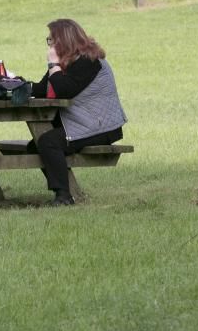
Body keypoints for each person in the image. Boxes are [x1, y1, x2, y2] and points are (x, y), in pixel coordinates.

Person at [29, 19, 127, 206]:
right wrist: (14, 85)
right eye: (48, 40)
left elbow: (64, 90)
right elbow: (42, 89)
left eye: (52, 40)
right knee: (36, 144)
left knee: (48, 142)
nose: (49, 45)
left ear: (64, 41)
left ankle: (64, 197)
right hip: (83, 123)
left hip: (101, 127)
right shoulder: (68, 61)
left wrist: (53, 65)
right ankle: (66, 192)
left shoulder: (89, 62)